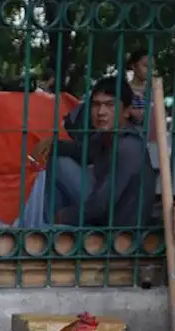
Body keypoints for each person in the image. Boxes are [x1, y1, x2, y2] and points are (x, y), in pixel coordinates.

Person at [19, 75, 156, 229]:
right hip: (102, 213)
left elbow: (101, 204)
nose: (101, 112)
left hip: (118, 227)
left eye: (110, 105)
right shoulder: (105, 136)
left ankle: (44, 226)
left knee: (59, 164)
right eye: (96, 105)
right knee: (55, 159)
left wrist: (65, 216)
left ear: (127, 111)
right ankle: (45, 227)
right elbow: (81, 151)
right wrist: (51, 144)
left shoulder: (129, 147)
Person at [125, 49, 150, 127]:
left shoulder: (154, 91)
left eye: (152, 67)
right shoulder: (124, 88)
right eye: (145, 65)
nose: (149, 70)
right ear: (133, 66)